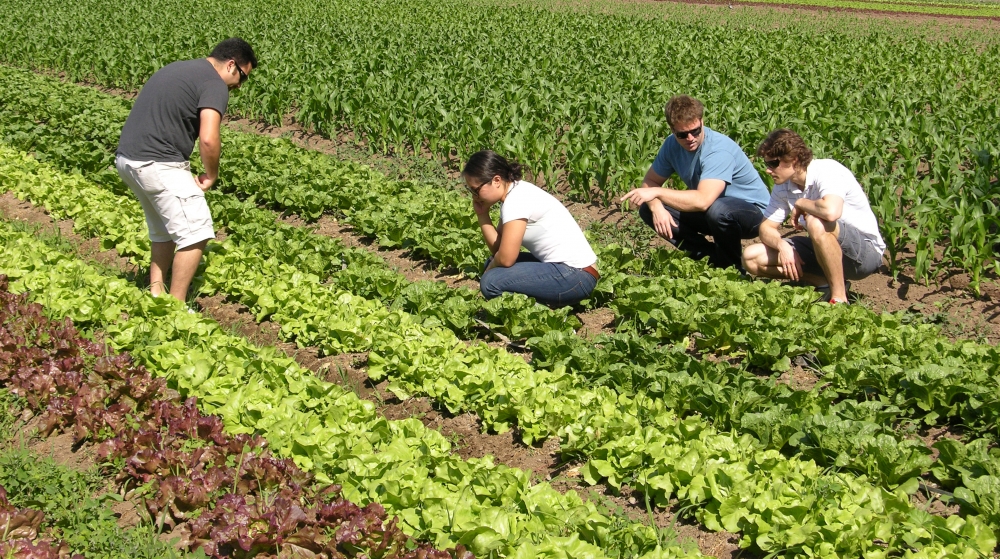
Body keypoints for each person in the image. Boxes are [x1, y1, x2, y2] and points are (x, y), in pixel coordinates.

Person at [115, 38, 258, 302]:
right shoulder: (215, 85)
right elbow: (208, 138)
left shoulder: (179, 68)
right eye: (243, 77)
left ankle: (156, 292)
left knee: (165, 229)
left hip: (128, 159)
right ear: (230, 65)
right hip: (157, 162)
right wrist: (211, 174)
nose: (240, 85)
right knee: (197, 232)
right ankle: (175, 308)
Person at [620, 95, 770, 271]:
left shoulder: (718, 150)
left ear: (701, 121)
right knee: (648, 209)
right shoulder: (671, 146)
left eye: (696, 131)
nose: (690, 138)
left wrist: (657, 193)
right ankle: (711, 259)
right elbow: (651, 181)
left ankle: (734, 268)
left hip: (754, 214)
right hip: (714, 211)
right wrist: (656, 207)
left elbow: (703, 200)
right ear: (672, 130)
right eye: (682, 134)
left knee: (719, 210)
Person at [742, 129, 885, 303]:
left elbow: (831, 212)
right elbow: (765, 228)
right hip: (825, 252)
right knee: (751, 257)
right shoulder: (783, 185)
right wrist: (781, 245)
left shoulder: (826, 170)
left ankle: (839, 298)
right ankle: (824, 283)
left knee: (816, 221)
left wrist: (802, 203)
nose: (768, 170)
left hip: (864, 255)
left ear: (793, 160)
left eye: (773, 163)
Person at [464, 150, 599, 307]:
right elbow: (498, 249)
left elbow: (506, 258)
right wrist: (482, 215)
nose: (474, 195)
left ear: (496, 180)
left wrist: (490, 271)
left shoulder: (516, 201)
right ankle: (547, 304)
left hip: (576, 276)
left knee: (491, 283)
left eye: (475, 189)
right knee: (491, 264)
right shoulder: (515, 192)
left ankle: (544, 316)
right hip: (571, 272)